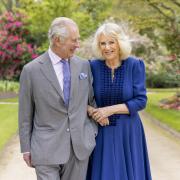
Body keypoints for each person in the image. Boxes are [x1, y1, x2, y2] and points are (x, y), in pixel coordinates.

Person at [18, 17, 97, 180]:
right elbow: (25, 113)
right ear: (57, 40)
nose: (78, 45)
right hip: (45, 150)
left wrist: (91, 132)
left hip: (79, 149)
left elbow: (91, 101)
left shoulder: (84, 66)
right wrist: (26, 148)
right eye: (74, 40)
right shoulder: (31, 70)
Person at [86, 22, 152, 180]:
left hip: (129, 132)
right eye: (103, 43)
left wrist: (109, 110)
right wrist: (93, 112)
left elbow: (141, 100)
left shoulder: (135, 65)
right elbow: (80, 98)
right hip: (101, 131)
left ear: (120, 43)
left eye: (111, 42)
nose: (107, 47)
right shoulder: (91, 66)